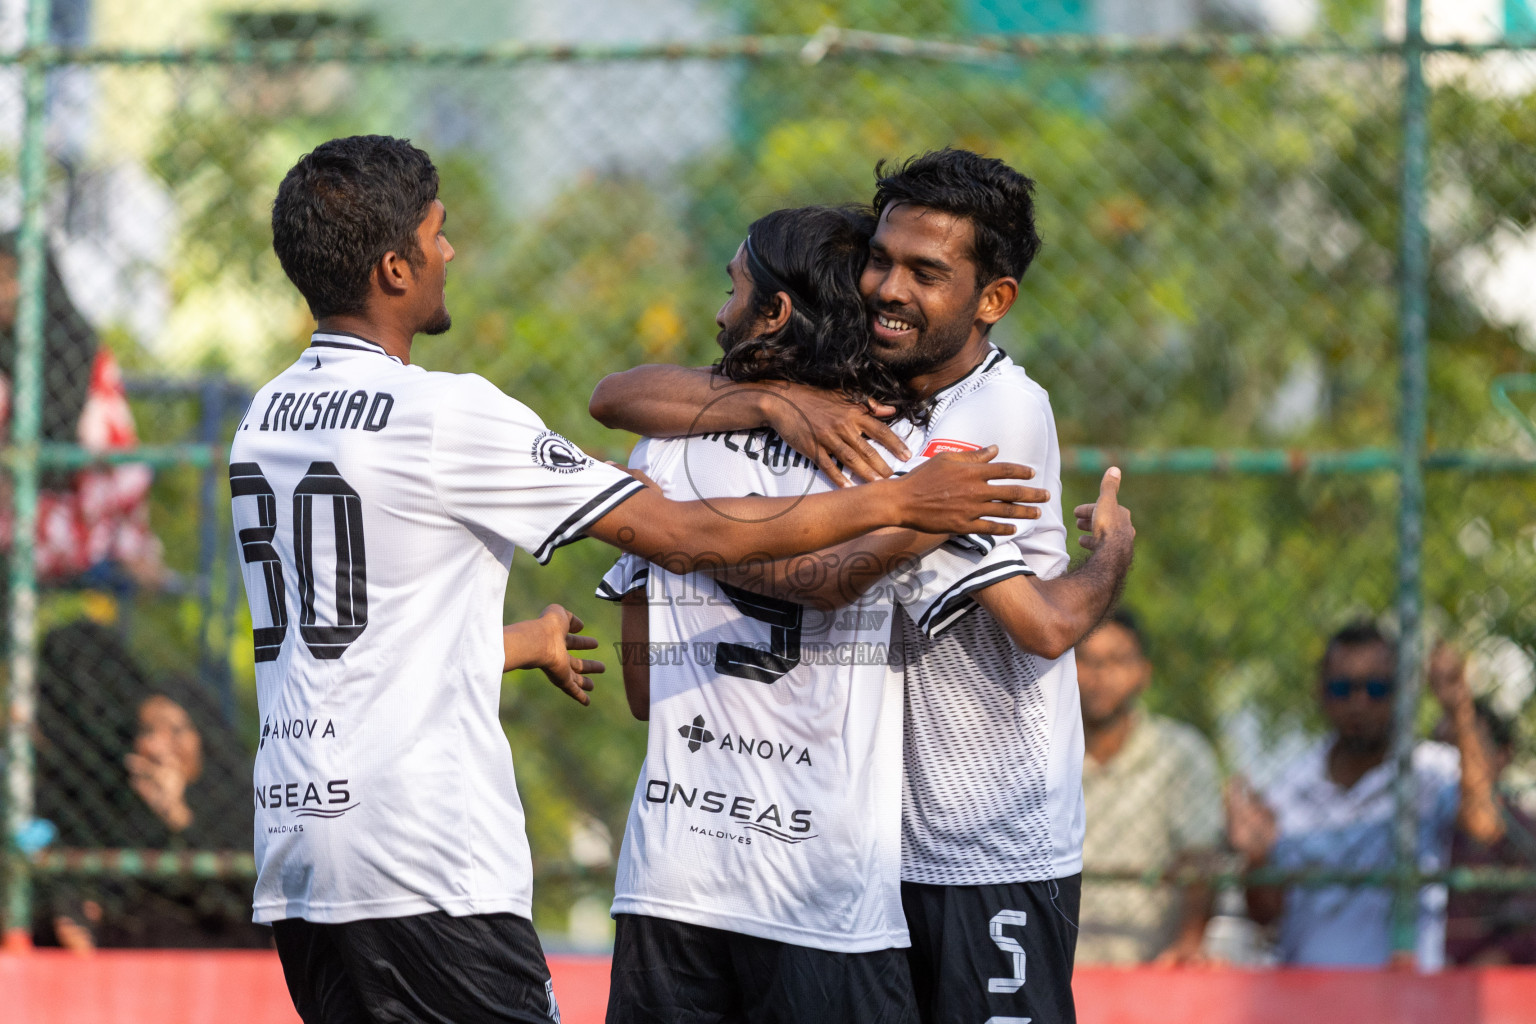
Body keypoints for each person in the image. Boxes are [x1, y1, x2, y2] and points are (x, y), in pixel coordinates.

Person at [237, 135, 1046, 1024]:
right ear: (395, 269)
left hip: (300, 845)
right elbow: (683, 533)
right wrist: (903, 501)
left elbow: (369, 637)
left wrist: (515, 643)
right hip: (431, 854)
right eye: (438, 234)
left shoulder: (266, 416)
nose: (450, 252)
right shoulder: (445, 413)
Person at [592, 148, 1137, 1024]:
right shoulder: (864, 400)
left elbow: (1028, 622)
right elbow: (618, 393)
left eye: (926, 273)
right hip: (875, 842)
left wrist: (1110, 555)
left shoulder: (990, 414)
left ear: (992, 299)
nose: (888, 288)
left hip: (987, 839)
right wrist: (769, 404)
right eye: (880, 261)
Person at [1225, 621, 1491, 969]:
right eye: (1342, 688)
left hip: (1403, 1004)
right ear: (1321, 692)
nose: (1359, 702)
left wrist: (1459, 709)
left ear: (1401, 693)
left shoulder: (1428, 771)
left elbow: (1484, 825)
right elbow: (1264, 915)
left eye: (1377, 688)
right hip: (1309, 1000)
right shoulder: (1291, 786)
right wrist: (1257, 860)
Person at [32, 620, 264, 949]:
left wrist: (179, 817)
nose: (155, 746)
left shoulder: (239, 803)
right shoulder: (119, 805)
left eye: (176, 731)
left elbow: (243, 902)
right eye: (146, 731)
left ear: (205, 739)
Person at [1073, 609, 1221, 965]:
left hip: (1154, 964)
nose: (1100, 674)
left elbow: (1200, 859)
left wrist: (1188, 945)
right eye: (1086, 660)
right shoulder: (1044, 755)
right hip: (1063, 966)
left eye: (1117, 660)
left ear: (1143, 673)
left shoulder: (1180, 753)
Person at [1432, 646, 1536, 965]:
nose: (1453, 764)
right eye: (1442, 748)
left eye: (1463, 750)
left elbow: (1526, 926)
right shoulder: (1426, 814)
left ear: (1503, 754)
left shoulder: (1523, 830)